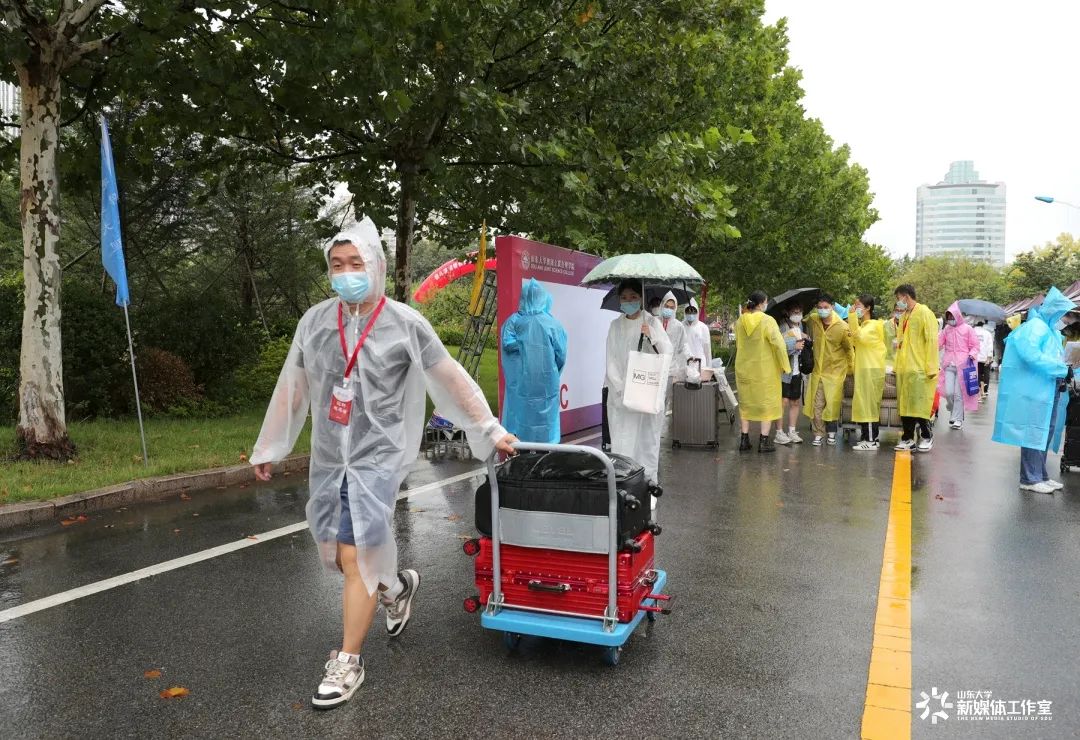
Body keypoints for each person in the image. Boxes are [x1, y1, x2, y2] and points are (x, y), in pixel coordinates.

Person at [250, 219, 516, 709]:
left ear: (375, 264)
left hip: (379, 456)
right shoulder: (314, 322)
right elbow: (294, 385)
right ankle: (396, 588)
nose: (346, 273)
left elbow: (450, 380)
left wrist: (490, 430)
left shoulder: (405, 324)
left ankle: (348, 660)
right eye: (336, 265)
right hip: (332, 457)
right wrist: (271, 445)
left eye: (356, 263)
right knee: (335, 549)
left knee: (354, 556)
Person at [992, 287, 1076, 494]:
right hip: (1035, 389)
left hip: (1048, 388)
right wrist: (1061, 369)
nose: (1067, 320)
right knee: (1033, 431)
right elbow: (1031, 355)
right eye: (1065, 314)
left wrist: (1064, 372)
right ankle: (1029, 478)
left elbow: (1055, 357)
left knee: (1043, 433)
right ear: (1054, 311)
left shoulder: (1050, 330)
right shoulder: (1035, 327)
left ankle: (1040, 474)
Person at [605, 280, 673, 486]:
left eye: (633, 297)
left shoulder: (652, 322)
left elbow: (666, 354)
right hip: (622, 397)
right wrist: (622, 387)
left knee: (646, 443)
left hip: (646, 394)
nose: (629, 301)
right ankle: (624, 485)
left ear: (641, 298)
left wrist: (652, 336)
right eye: (624, 298)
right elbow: (611, 361)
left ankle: (648, 485)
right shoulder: (615, 325)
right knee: (623, 441)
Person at [501, 278, 568, 443]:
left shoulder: (518, 323)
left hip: (524, 379)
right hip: (545, 381)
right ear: (544, 298)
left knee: (524, 417)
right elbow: (561, 354)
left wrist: (528, 348)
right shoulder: (552, 324)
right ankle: (544, 454)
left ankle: (523, 453)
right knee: (546, 422)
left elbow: (509, 343)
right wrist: (552, 369)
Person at [734, 290, 791, 453]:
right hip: (765, 370)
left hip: (744, 368)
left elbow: (738, 344)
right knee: (767, 404)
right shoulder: (768, 321)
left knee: (745, 404)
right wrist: (785, 365)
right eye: (766, 302)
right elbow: (779, 344)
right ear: (761, 304)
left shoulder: (739, 321)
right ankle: (763, 441)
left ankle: (744, 440)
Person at [803, 294, 854, 446]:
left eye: (826, 307)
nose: (822, 310)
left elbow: (849, 350)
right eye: (819, 307)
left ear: (832, 307)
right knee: (816, 405)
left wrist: (851, 368)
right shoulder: (813, 320)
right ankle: (818, 433)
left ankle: (831, 433)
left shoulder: (842, 327)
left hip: (836, 373)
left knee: (832, 404)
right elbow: (801, 322)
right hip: (818, 371)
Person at [893, 284, 939, 452]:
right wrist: (898, 365)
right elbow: (901, 344)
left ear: (906, 296)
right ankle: (907, 438)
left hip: (920, 368)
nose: (898, 302)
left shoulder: (925, 313)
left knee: (920, 405)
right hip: (906, 368)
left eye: (899, 298)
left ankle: (927, 436)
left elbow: (932, 341)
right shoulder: (905, 315)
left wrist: (932, 367)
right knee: (905, 405)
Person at [847, 295, 887, 451]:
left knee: (868, 404)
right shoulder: (863, 325)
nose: (855, 308)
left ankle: (870, 440)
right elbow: (855, 340)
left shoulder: (873, 325)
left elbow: (860, 337)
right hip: (865, 368)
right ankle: (869, 438)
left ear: (868, 308)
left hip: (871, 368)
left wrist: (851, 317)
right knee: (865, 403)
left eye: (858, 306)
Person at [938, 302, 980, 430]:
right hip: (949, 364)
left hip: (963, 365)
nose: (950, 320)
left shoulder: (968, 329)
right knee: (949, 392)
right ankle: (952, 410)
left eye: (952, 317)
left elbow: (975, 345)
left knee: (958, 394)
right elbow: (939, 343)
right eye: (948, 317)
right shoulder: (946, 329)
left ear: (958, 316)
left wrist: (972, 354)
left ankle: (957, 419)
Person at [775, 303, 806, 445]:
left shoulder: (801, 326)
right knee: (783, 402)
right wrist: (794, 346)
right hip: (784, 370)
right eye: (794, 311)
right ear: (788, 312)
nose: (797, 314)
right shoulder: (782, 326)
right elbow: (778, 348)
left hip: (796, 370)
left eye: (799, 311)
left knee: (795, 402)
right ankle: (779, 432)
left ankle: (792, 431)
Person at [659, 291, 690, 383]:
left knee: (668, 395)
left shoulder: (678, 326)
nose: (669, 309)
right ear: (662, 305)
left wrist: (689, 359)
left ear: (675, 308)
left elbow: (683, 346)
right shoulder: (654, 322)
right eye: (666, 306)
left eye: (672, 307)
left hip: (671, 368)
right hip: (655, 366)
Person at [684, 298, 713, 370]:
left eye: (693, 312)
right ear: (684, 312)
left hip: (700, 365)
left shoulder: (703, 327)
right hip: (684, 364)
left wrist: (709, 367)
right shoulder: (681, 326)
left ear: (697, 312)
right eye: (688, 312)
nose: (691, 314)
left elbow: (707, 350)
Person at [974, 321, 995, 399]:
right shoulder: (987, 333)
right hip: (985, 357)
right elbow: (990, 346)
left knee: (977, 374)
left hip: (975, 357)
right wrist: (989, 357)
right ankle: (985, 390)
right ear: (983, 325)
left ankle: (978, 390)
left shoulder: (972, 332)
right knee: (986, 374)